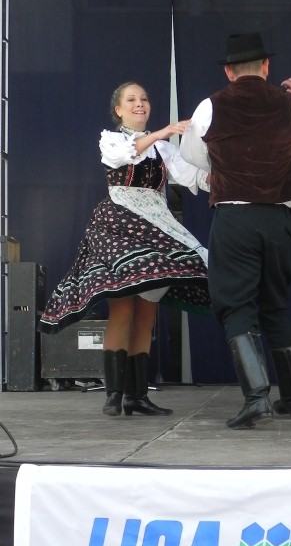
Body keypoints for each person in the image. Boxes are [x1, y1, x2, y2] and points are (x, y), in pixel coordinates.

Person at [180, 32, 291, 429]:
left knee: (235, 305)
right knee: (275, 304)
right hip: (276, 220)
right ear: (266, 66)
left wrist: (229, 164)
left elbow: (194, 155)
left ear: (229, 71)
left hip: (234, 218)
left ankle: (257, 397)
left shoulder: (209, 106)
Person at [39, 81, 211, 417]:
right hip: (119, 226)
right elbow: (123, 155)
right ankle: (114, 394)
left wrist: (229, 174)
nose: (139, 104)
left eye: (144, 99)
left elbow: (193, 176)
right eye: (131, 100)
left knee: (146, 315)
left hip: (156, 226)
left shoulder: (163, 149)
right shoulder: (112, 139)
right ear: (118, 109)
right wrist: (162, 132)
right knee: (122, 310)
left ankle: (137, 395)